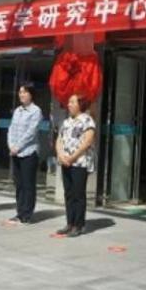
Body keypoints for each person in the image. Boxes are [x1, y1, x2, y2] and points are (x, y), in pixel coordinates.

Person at [55, 94, 96, 237]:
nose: (69, 105)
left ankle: (79, 225)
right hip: (65, 161)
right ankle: (70, 223)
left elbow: (87, 142)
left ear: (80, 104)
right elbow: (59, 139)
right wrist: (61, 154)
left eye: (72, 102)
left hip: (80, 162)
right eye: (69, 102)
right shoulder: (66, 121)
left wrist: (72, 157)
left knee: (78, 194)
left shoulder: (87, 120)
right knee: (69, 193)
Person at [6, 83, 43, 225]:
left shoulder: (36, 111)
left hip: (29, 152)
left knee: (28, 185)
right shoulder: (17, 110)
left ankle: (27, 214)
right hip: (15, 152)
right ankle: (20, 212)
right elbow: (11, 128)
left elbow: (31, 132)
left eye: (24, 92)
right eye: (20, 92)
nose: (21, 94)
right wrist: (11, 145)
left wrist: (18, 146)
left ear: (31, 95)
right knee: (19, 184)